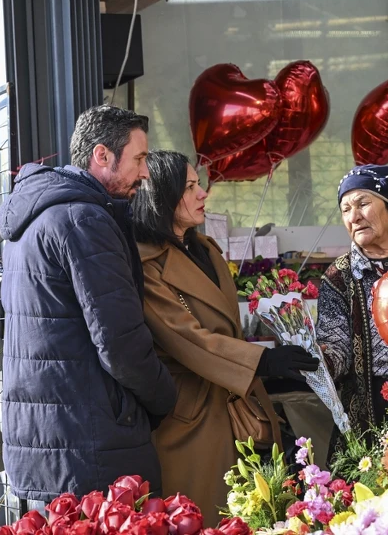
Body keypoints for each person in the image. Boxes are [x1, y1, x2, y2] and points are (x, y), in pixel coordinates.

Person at [0, 105, 177, 503]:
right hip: (91, 447)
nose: (145, 173)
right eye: (139, 159)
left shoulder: (33, 220)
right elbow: (120, 343)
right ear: (102, 155)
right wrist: (166, 398)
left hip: (47, 445)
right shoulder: (83, 220)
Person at [132, 150, 319, 524]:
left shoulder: (205, 249)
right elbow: (188, 338)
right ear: (161, 197)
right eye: (189, 187)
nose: (203, 193)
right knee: (202, 517)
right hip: (192, 417)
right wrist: (262, 361)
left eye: (198, 184)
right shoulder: (146, 266)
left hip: (237, 406)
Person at [316, 164, 388, 440]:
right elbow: (336, 344)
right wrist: (318, 358)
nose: (354, 217)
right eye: (345, 210)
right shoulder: (339, 276)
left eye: (363, 204)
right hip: (371, 407)